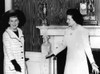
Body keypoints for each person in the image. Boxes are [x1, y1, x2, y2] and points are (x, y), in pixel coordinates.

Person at [46, 8, 99, 74]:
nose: (66, 21)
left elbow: (87, 48)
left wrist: (92, 63)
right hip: (69, 62)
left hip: (80, 64)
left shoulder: (83, 31)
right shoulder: (67, 31)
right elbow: (63, 45)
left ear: (75, 20)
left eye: (69, 19)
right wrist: (53, 52)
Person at [2, 9, 27, 74]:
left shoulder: (20, 31)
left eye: (16, 20)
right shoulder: (6, 34)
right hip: (12, 66)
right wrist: (15, 64)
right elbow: (8, 51)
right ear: (8, 22)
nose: (14, 23)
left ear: (19, 21)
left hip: (21, 64)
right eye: (11, 21)